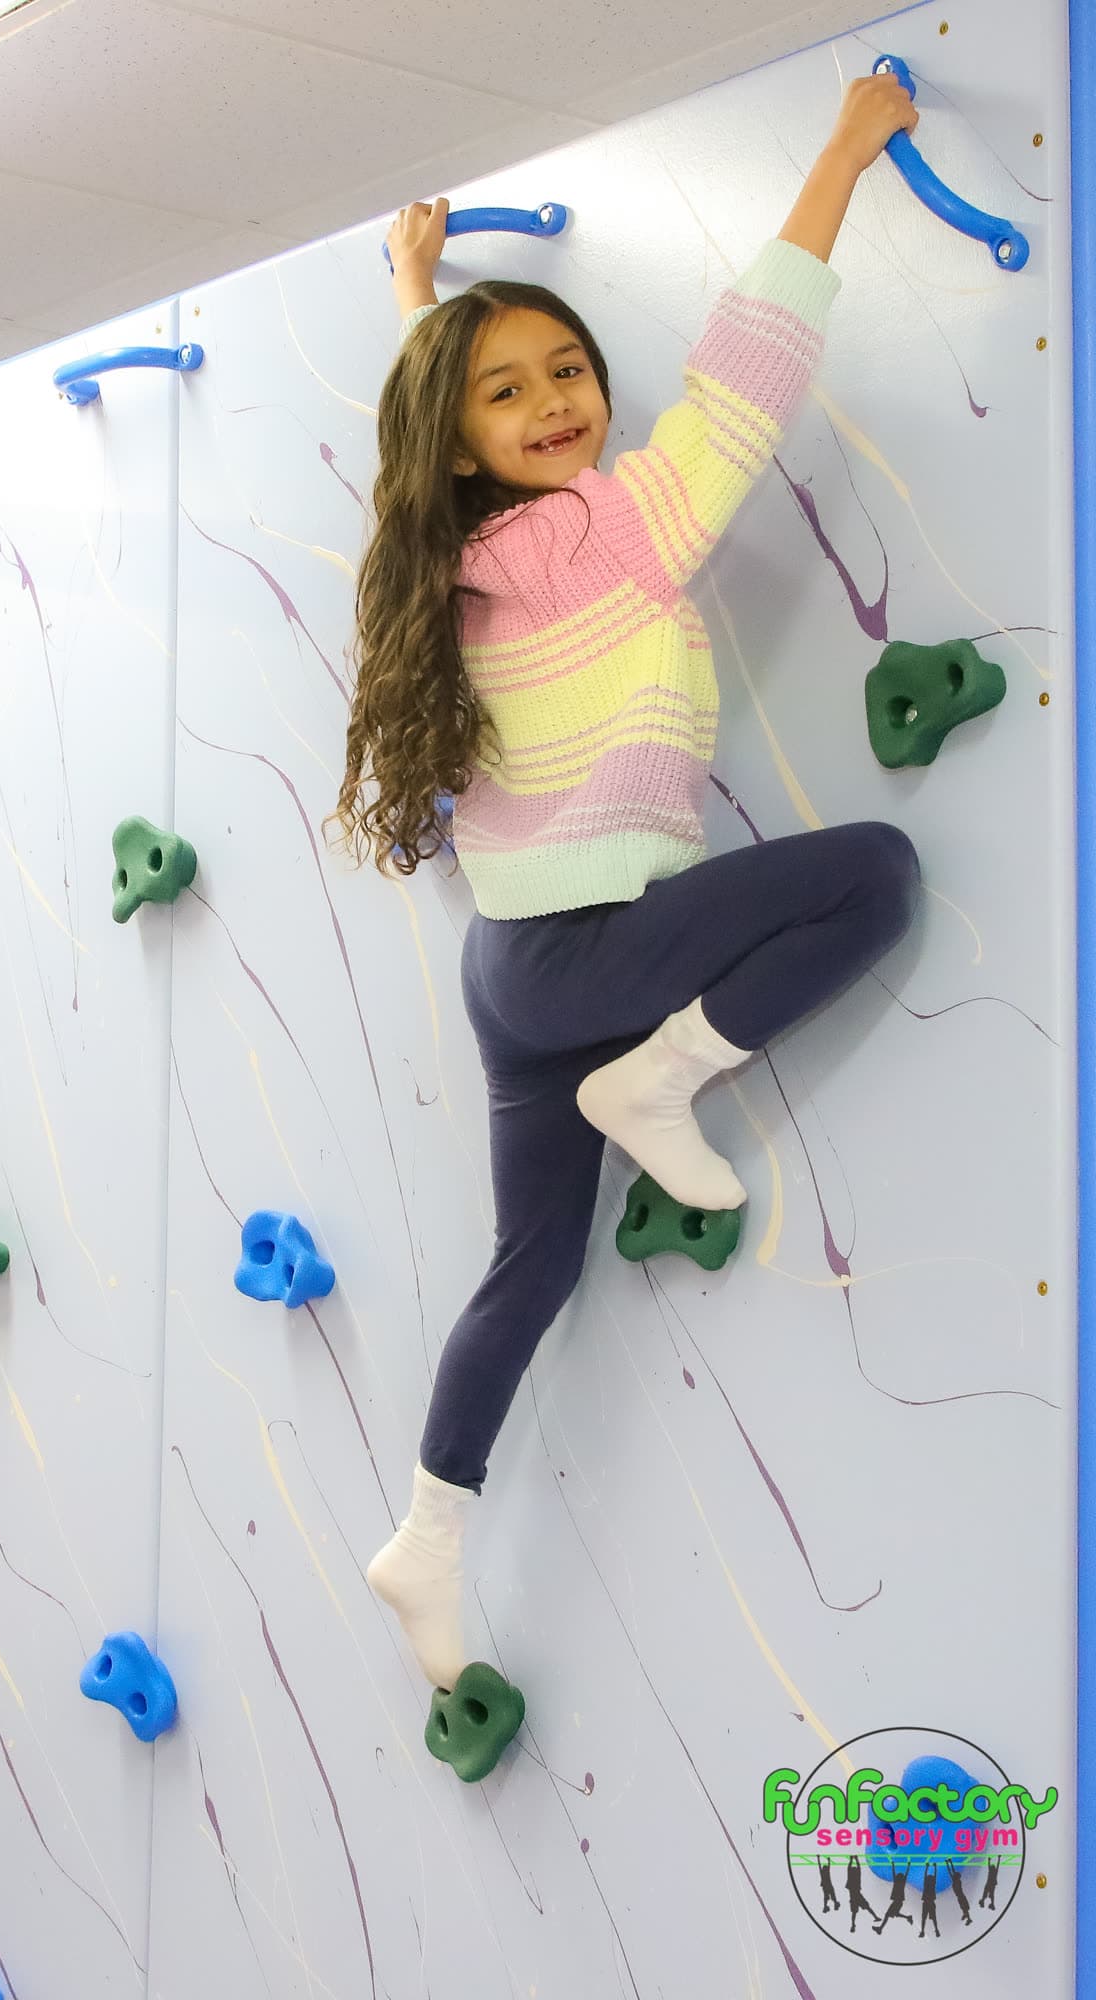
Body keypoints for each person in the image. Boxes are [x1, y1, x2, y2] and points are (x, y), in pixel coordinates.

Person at [325, 72, 922, 1692]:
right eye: (508, 392)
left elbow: (451, 406)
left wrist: (416, 297)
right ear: (460, 433)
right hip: (591, 962)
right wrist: (839, 157)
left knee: (532, 1270)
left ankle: (427, 1543)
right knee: (874, 873)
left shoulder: (442, 569)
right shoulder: (630, 520)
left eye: (572, 371)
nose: (557, 403)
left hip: (519, 977)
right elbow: (745, 377)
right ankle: (663, 1085)